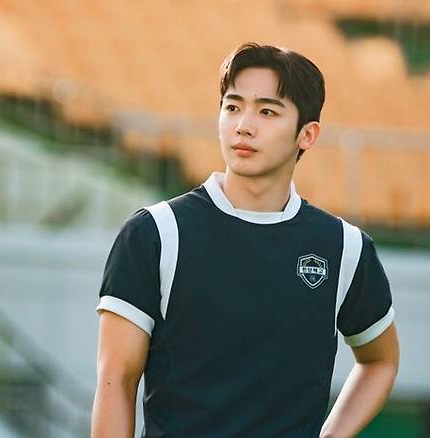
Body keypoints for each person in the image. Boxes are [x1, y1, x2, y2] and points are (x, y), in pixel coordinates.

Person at [91, 42, 399, 438]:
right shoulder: (156, 234)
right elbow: (115, 381)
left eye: (267, 111)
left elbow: (380, 361)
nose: (243, 126)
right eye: (233, 107)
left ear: (307, 134)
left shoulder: (345, 248)